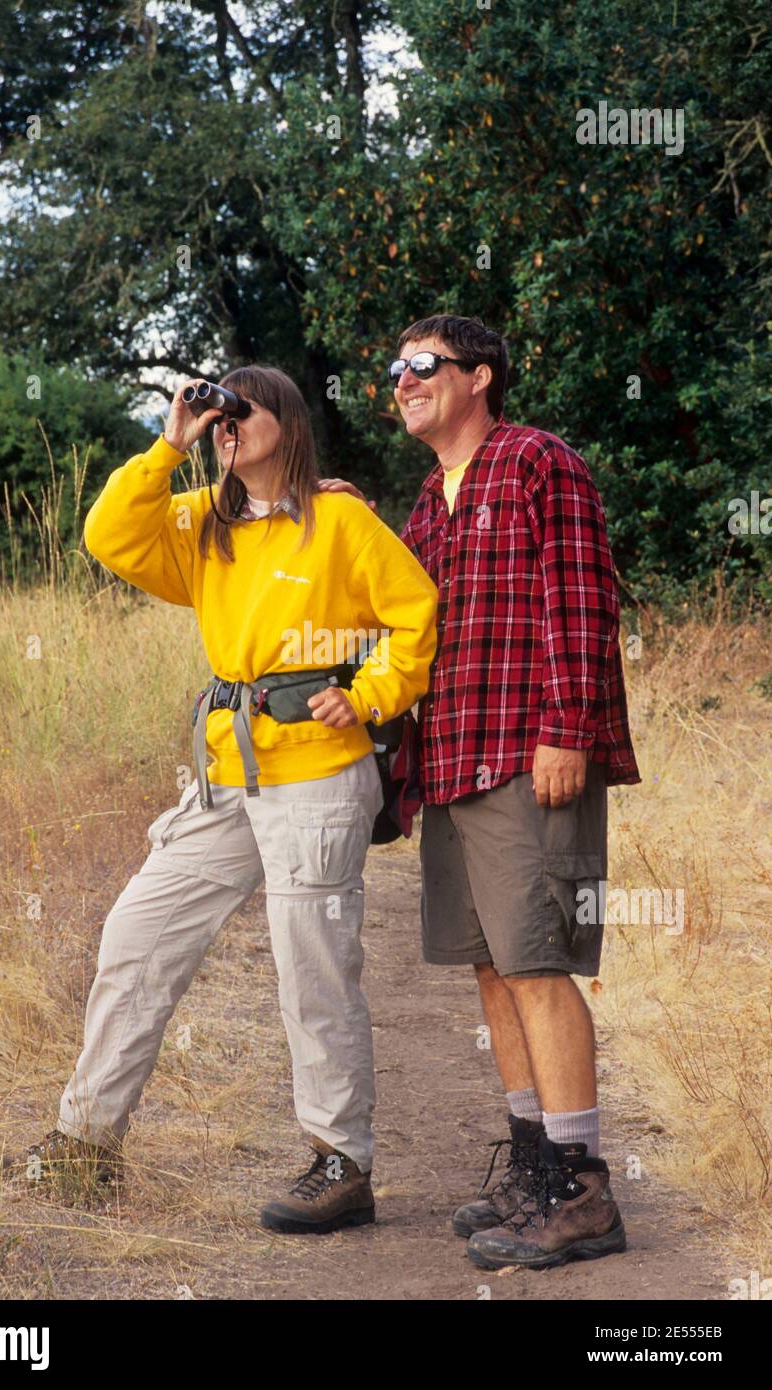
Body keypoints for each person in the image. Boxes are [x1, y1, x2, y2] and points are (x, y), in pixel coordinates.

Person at [0, 364, 438, 1235]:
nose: (226, 423)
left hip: (314, 772)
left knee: (311, 968)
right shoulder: (205, 526)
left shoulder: (341, 519)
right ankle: (85, 1146)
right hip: (226, 774)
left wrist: (375, 692)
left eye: (243, 409)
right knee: (136, 937)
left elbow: (416, 613)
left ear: (290, 424)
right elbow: (109, 536)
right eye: (217, 413)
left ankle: (340, 1162)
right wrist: (170, 443)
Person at [320, 314, 641, 1269]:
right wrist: (348, 518)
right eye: (395, 368)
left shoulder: (541, 462)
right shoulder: (425, 500)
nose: (402, 379)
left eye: (423, 364)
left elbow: (583, 599)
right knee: (492, 968)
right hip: (451, 762)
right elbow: (395, 613)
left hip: (527, 754)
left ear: (481, 376)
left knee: (539, 964)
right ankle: (536, 1168)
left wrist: (565, 732)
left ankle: (586, 1192)